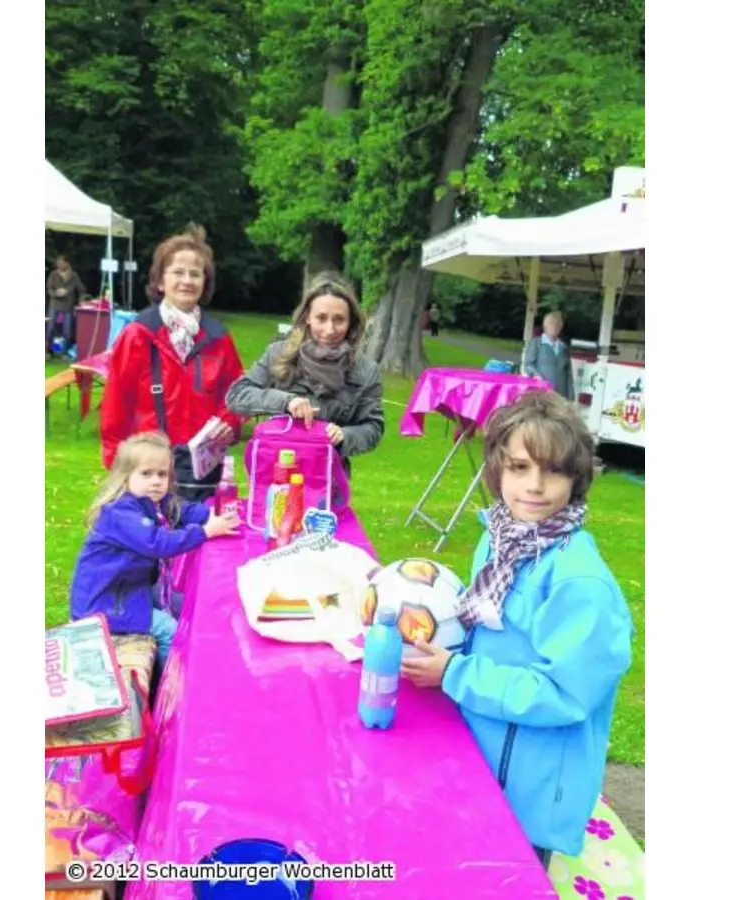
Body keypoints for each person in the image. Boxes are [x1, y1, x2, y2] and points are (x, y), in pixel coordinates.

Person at [400, 391, 633, 869]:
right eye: (520, 467)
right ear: (498, 471)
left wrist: (455, 675)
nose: (535, 485)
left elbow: (563, 694)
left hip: (529, 793)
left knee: (507, 879)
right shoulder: (501, 536)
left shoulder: (578, 582)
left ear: (577, 476)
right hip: (483, 760)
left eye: (553, 470)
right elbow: (487, 625)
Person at [68, 432, 241, 670]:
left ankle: (212, 658)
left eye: (162, 474)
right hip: (106, 604)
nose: (156, 481)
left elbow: (182, 510)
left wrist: (213, 513)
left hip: (130, 589)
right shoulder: (121, 513)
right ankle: (167, 689)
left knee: (191, 604)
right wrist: (205, 532)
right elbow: (157, 543)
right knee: (170, 631)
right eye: (146, 474)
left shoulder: (153, 503)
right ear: (125, 476)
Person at [99, 225, 245, 500]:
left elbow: (238, 396)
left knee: (200, 539)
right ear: (160, 281)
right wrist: (116, 467)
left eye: (195, 273)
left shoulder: (219, 338)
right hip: (148, 469)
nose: (187, 280)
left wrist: (229, 422)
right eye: (178, 272)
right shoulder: (138, 334)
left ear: (205, 283)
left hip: (201, 474)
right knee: (150, 541)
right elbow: (115, 405)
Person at [224, 272, 384, 469]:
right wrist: (286, 401)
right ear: (307, 317)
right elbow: (237, 396)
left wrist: (345, 435)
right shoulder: (278, 353)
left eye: (339, 319)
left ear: (351, 321)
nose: (330, 329)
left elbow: (373, 428)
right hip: (275, 475)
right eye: (321, 318)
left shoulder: (366, 371)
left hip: (328, 481)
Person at [522, 310, 573, 401]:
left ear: (561, 327)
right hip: (540, 391)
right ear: (545, 326)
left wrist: (571, 396)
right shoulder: (536, 343)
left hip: (560, 394)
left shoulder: (564, 347)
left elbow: (568, 373)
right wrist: (537, 376)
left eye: (557, 324)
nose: (554, 327)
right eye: (551, 324)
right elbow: (528, 364)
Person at [46, 255, 87, 357]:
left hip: (68, 306)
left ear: (67, 263)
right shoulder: (53, 275)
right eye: (57, 263)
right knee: (50, 328)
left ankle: (63, 352)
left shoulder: (74, 276)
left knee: (66, 331)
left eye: (61, 263)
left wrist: (81, 301)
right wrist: (56, 293)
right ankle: (47, 351)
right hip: (54, 305)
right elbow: (49, 289)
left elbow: (81, 289)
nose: (59, 265)